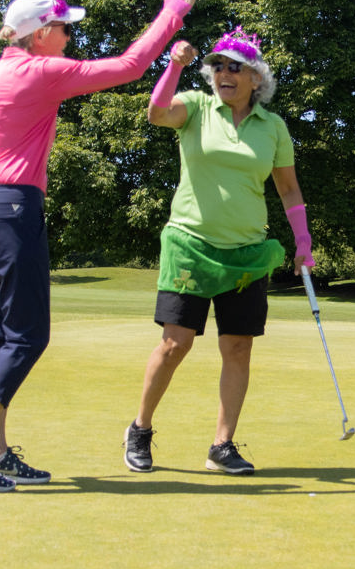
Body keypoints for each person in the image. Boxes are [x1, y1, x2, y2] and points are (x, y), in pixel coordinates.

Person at [0, 0, 204, 491]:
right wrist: (172, 15)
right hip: (12, 208)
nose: (69, 37)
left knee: (2, 339)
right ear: (40, 33)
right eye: (63, 29)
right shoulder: (39, 72)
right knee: (28, 337)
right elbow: (130, 66)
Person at [123, 27, 312, 475]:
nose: (223, 73)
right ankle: (140, 429)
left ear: (255, 79)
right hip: (189, 244)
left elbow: (287, 188)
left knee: (239, 346)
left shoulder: (273, 127)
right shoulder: (196, 106)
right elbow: (155, 113)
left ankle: (221, 446)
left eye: (235, 67)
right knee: (175, 344)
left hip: (246, 253)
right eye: (218, 66)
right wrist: (174, 65)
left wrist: (302, 240)